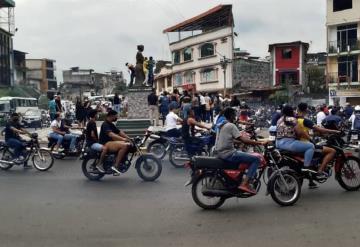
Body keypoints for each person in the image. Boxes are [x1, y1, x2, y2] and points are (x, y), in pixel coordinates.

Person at [214, 107, 267, 194]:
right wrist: (260, 143)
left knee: (244, 154)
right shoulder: (231, 125)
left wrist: (240, 142)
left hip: (221, 153)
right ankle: (245, 183)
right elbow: (244, 140)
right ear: (231, 116)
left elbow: (230, 139)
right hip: (229, 154)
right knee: (256, 159)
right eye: (234, 115)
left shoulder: (223, 124)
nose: (236, 117)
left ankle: (242, 178)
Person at [297, 103, 339, 182]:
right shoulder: (304, 121)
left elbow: (304, 132)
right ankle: (320, 171)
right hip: (305, 145)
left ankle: (311, 180)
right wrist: (335, 131)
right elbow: (320, 130)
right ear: (306, 110)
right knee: (332, 151)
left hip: (297, 144)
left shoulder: (295, 119)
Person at [276, 105, 315, 170]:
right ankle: (306, 167)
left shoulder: (279, 120)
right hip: (288, 144)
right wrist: (310, 139)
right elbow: (300, 132)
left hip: (278, 143)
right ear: (291, 111)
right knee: (311, 146)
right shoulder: (293, 119)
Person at [97, 110, 131, 175]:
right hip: (106, 143)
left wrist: (129, 138)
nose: (116, 118)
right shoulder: (105, 124)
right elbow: (111, 134)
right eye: (115, 116)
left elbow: (119, 132)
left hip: (110, 142)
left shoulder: (111, 124)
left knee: (126, 143)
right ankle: (115, 166)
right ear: (111, 116)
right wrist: (123, 139)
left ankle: (120, 161)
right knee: (124, 146)